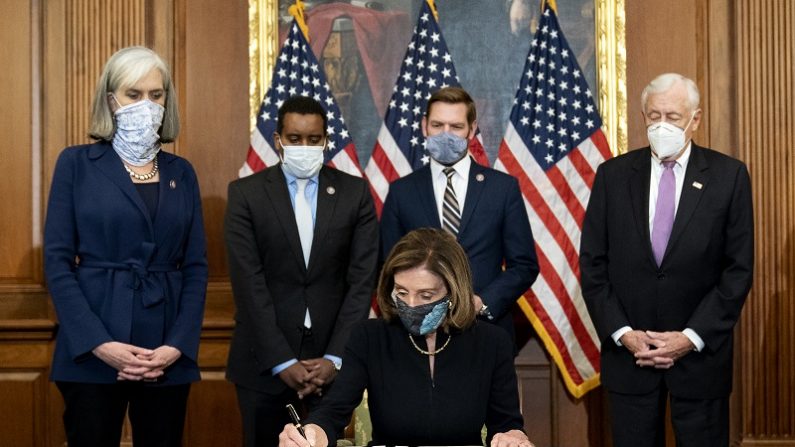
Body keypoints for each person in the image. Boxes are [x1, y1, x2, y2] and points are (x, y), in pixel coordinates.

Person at [43, 46, 208, 447]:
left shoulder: (181, 172)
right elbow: (58, 262)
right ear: (110, 99)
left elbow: (196, 267)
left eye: (157, 94)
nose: (147, 104)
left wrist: (176, 346)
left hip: (165, 351)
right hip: (93, 344)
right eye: (134, 94)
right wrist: (99, 343)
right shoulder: (77, 163)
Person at [579, 73, 754, 447]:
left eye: (672, 117)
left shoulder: (729, 176)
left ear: (696, 119)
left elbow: (737, 271)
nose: (661, 125)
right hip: (630, 360)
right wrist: (624, 334)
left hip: (700, 361)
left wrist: (690, 337)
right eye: (653, 115)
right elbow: (593, 265)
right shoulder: (613, 176)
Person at [278, 228, 535, 447]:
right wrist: (313, 433)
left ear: (453, 291)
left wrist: (513, 437)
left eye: (425, 296)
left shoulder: (492, 342)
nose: (411, 305)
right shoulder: (369, 337)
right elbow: (334, 411)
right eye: (401, 292)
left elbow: (506, 424)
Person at [225, 95, 378, 446]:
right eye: (295, 139)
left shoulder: (354, 193)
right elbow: (249, 284)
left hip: (334, 367)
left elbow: (361, 282)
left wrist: (335, 358)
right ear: (278, 139)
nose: (304, 147)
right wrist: (282, 361)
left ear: (326, 141)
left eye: (314, 139)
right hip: (262, 366)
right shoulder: (246, 195)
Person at [379, 86, 539, 347]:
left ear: (472, 129)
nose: (445, 134)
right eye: (437, 125)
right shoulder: (401, 192)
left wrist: (480, 302)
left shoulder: (502, 188)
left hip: (486, 332)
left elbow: (524, 265)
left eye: (455, 126)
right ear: (424, 126)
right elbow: (387, 264)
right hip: (418, 336)